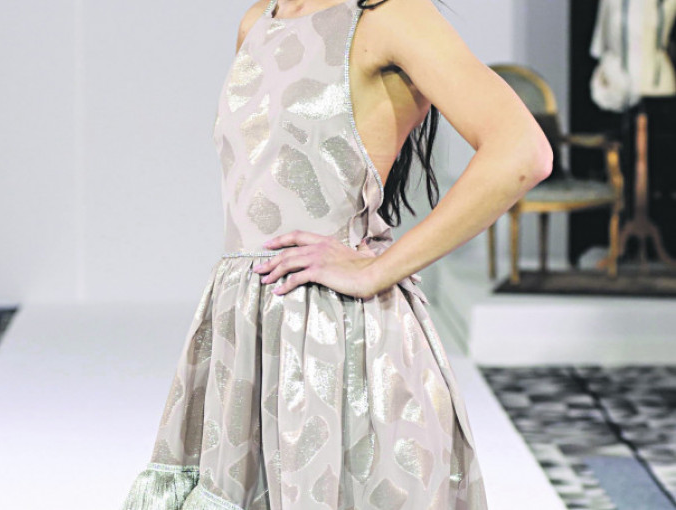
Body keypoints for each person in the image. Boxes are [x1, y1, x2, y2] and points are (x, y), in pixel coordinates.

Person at [120, 0, 552, 508]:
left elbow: (522, 150)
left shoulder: (389, 17)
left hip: (339, 345)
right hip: (247, 339)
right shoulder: (260, 21)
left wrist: (378, 269)